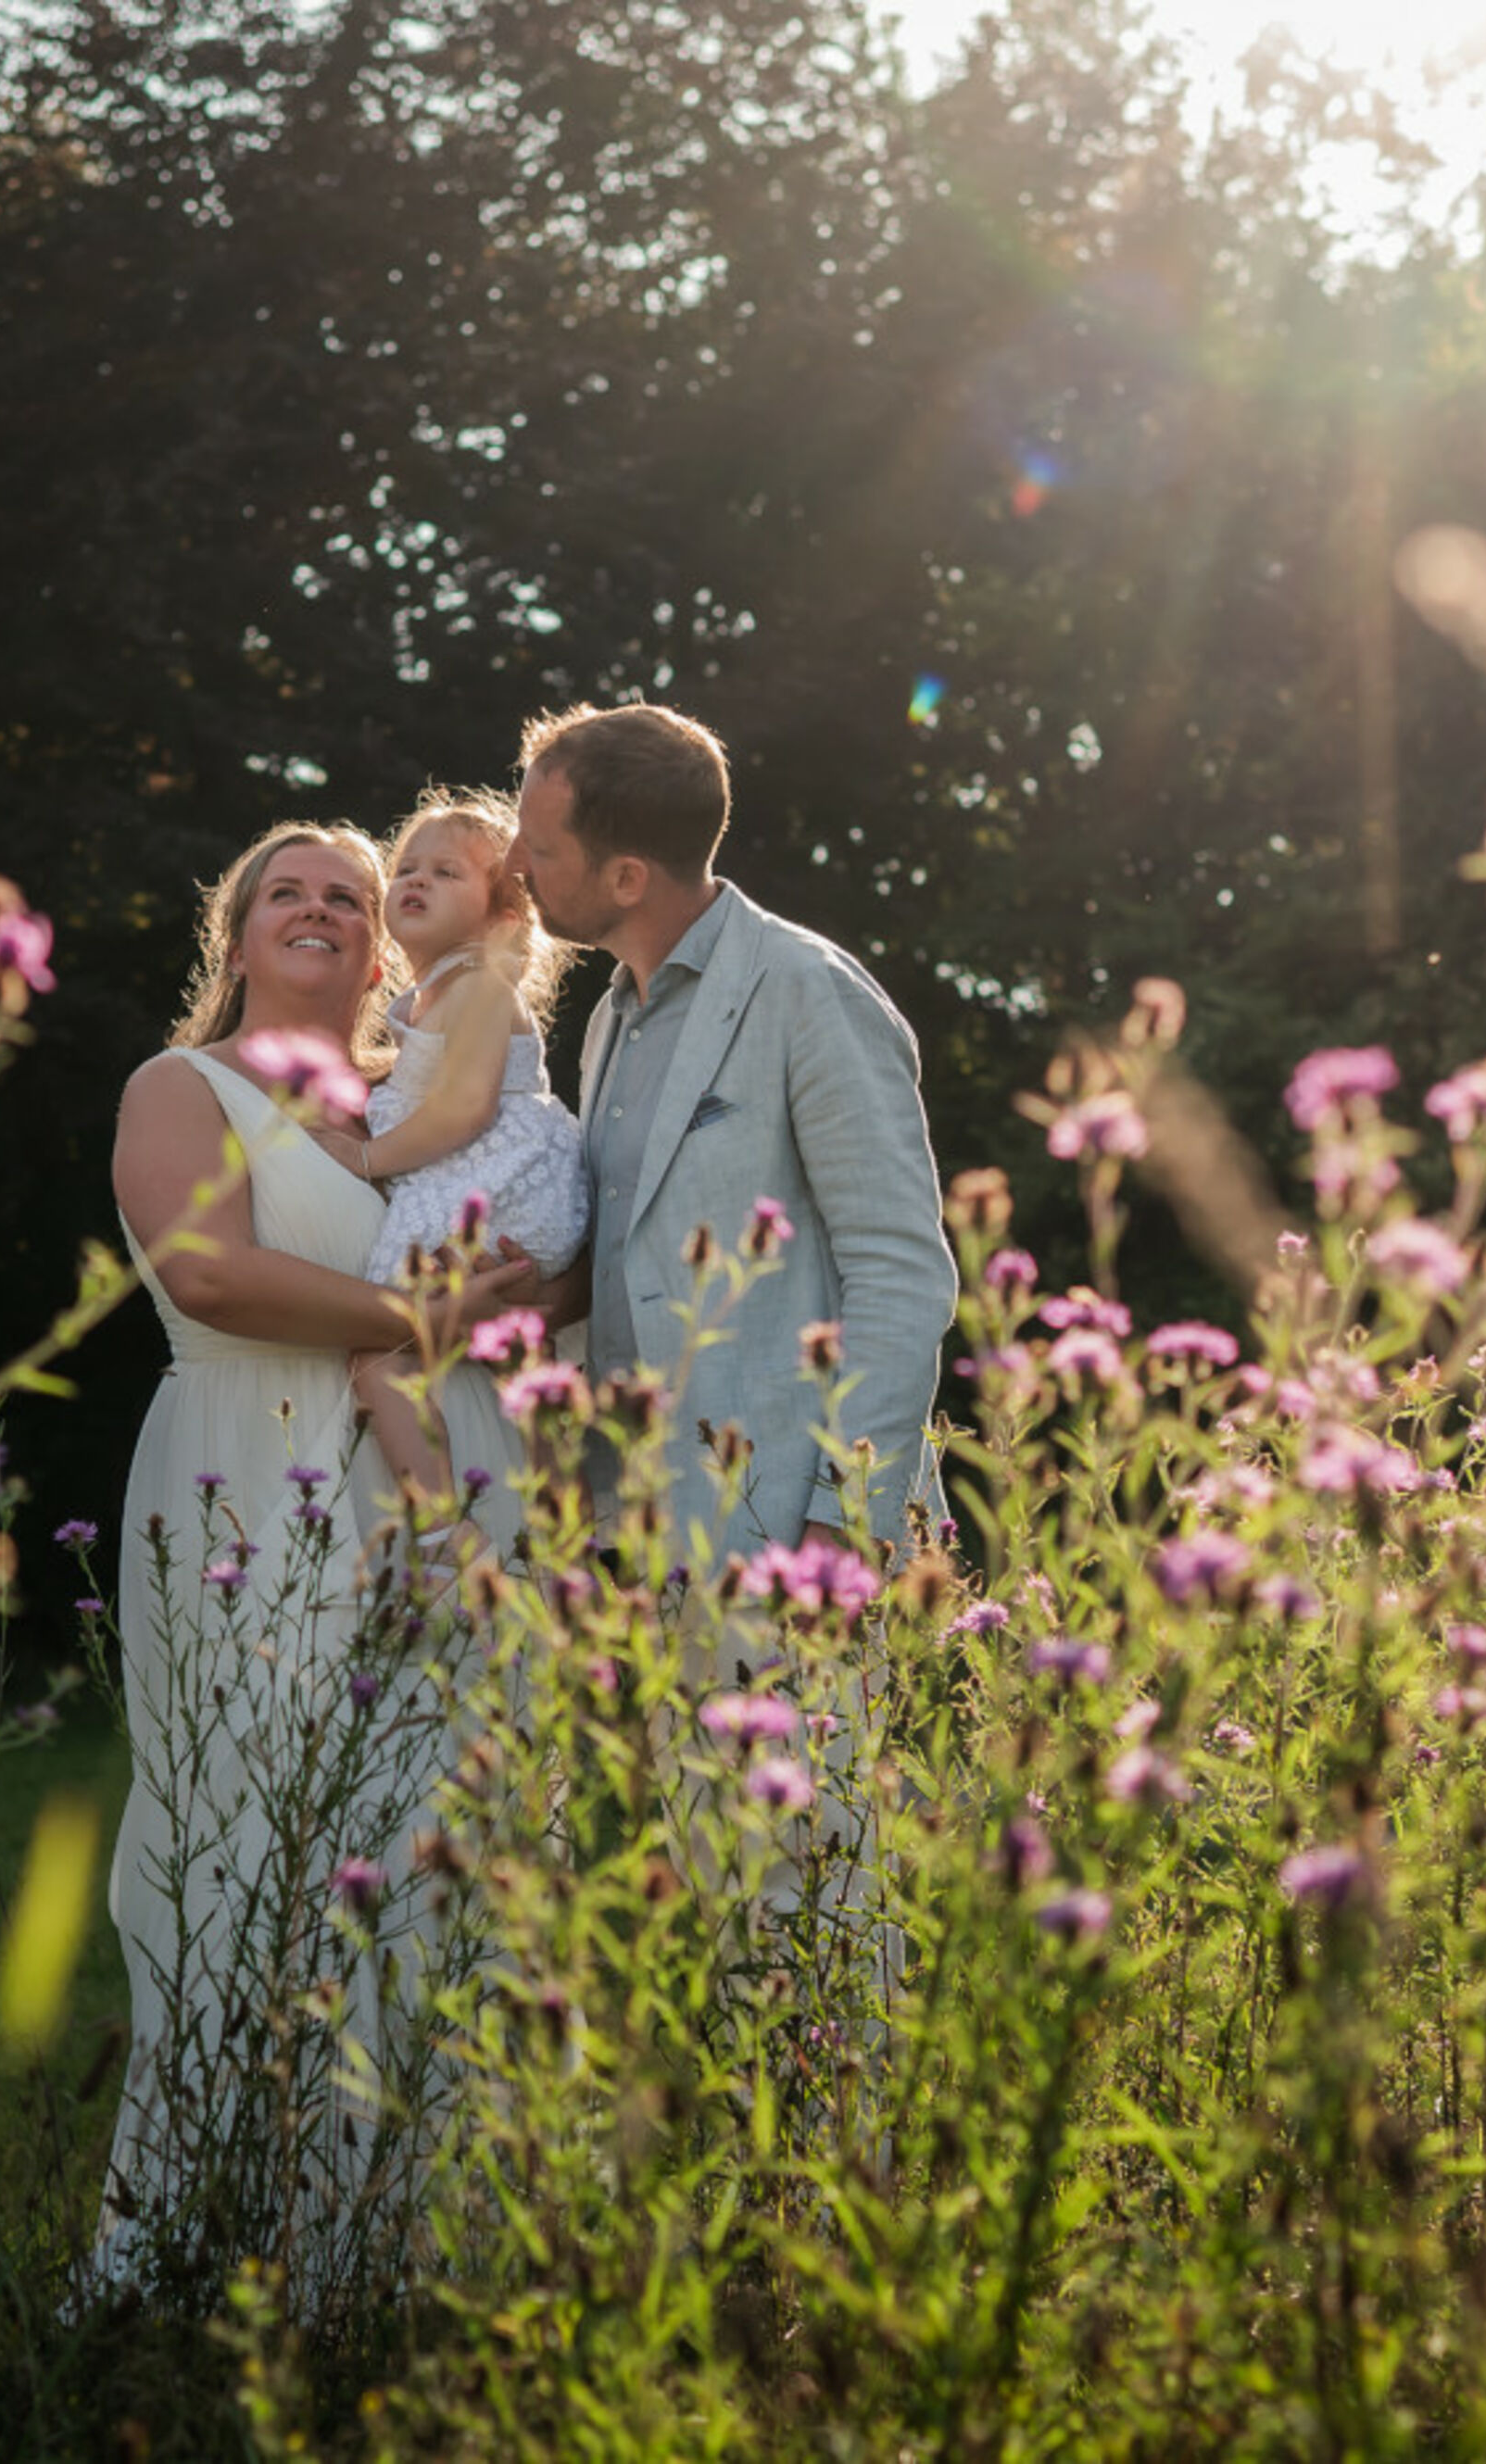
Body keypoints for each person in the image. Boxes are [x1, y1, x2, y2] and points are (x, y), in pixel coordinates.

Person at [82, 821, 535, 2314]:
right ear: (238, 933)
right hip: (246, 1479)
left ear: (387, 940)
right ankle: (198, 2230)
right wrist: (420, 1322)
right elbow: (204, 1269)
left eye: (350, 892)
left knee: (425, 1841)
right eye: (289, 890)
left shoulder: (433, 1097)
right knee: (246, 1829)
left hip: (438, 1487)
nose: (324, 908)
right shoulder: (183, 1086)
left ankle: (389, 2249)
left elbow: (536, 1247)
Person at [510, 703, 957, 1565]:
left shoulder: (806, 991)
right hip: (628, 1534)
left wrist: (844, 1526)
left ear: (628, 878)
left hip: (786, 1530)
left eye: (543, 848)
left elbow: (900, 1272)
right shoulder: (611, 1018)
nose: (515, 863)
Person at [343, 789, 586, 1515]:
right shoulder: (430, 996)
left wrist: (362, 1160)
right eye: (407, 867)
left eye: (447, 873)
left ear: (504, 917)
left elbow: (463, 1108)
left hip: (504, 1188)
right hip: (493, 1189)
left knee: (378, 1352)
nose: (415, 880)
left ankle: (440, 1525)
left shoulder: (478, 981)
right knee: (508, 1353)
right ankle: (558, 1519)